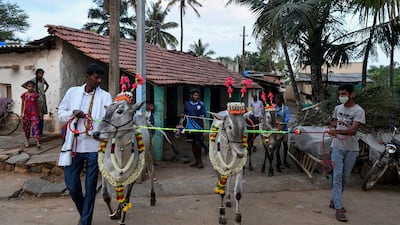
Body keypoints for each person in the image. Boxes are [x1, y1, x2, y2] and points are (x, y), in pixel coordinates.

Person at [57, 63, 112, 225]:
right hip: (73, 147)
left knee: (90, 187)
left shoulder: (105, 96)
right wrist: (72, 114)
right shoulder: (72, 92)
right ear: (87, 77)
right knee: (73, 187)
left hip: (94, 148)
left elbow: (108, 122)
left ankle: (85, 221)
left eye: (101, 78)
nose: (99, 81)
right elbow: (60, 114)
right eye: (96, 77)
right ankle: (85, 213)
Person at [327, 83, 365, 222]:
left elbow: (354, 131)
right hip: (337, 146)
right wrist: (331, 129)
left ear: (351, 94)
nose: (341, 97)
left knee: (344, 178)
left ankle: (333, 201)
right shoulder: (338, 108)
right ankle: (338, 208)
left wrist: (336, 131)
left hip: (351, 149)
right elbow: (334, 122)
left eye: (343, 94)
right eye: (339, 94)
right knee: (337, 177)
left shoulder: (359, 111)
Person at [183, 88, 207, 169]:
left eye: (197, 95)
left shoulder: (201, 105)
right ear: (191, 96)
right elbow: (183, 115)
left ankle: (200, 162)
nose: (196, 96)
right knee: (192, 145)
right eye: (195, 95)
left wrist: (204, 130)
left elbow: (204, 118)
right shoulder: (187, 104)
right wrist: (180, 126)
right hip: (189, 128)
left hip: (199, 128)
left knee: (198, 144)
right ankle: (196, 161)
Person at [22, 68, 49, 136]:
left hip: (42, 98)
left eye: (42, 73)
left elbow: (47, 85)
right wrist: (31, 90)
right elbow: (24, 85)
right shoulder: (33, 80)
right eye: (39, 73)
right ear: (36, 74)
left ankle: (40, 131)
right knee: (36, 115)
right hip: (36, 99)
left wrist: (44, 91)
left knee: (42, 115)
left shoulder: (43, 80)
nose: (41, 75)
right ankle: (35, 132)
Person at [20, 80, 41, 148]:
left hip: (34, 113)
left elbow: (37, 104)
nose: (30, 88)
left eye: (32, 86)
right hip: (26, 114)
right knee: (26, 128)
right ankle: (27, 140)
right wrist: (21, 113)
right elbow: (22, 104)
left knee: (35, 127)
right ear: (26, 87)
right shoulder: (24, 95)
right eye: (29, 86)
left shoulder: (35, 95)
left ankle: (37, 141)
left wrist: (39, 113)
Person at [275, 93, 291, 168]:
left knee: (285, 146)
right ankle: (278, 161)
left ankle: (285, 160)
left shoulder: (286, 109)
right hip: (276, 131)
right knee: (277, 147)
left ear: (282, 100)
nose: (277, 101)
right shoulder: (273, 108)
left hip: (284, 130)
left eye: (278, 99)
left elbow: (287, 119)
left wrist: (281, 122)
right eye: (276, 99)